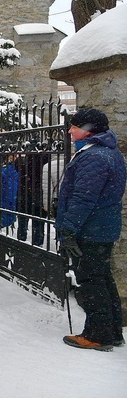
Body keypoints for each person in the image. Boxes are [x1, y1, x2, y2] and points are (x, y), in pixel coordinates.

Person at [57, 108, 125, 351]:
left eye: (74, 126)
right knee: (102, 278)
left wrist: (68, 230)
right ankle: (113, 330)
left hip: (90, 230)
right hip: (101, 228)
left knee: (91, 281)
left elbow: (83, 198)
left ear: (88, 131)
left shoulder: (94, 157)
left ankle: (98, 334)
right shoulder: (107, 153)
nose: (70, 130)